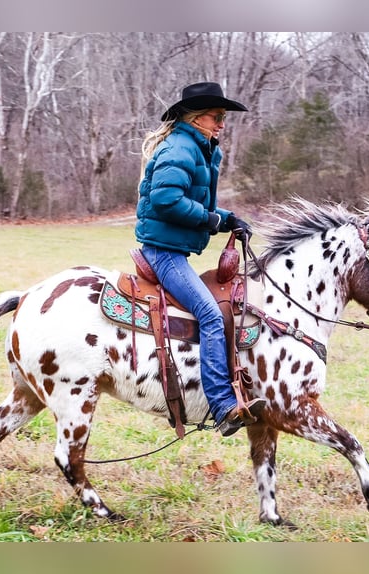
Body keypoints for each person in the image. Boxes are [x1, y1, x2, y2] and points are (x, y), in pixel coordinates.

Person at [135, 81, 265, 437]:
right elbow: (165, 200)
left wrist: (226, 218)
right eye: (217, 116)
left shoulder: (197, 147)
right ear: (195, 118)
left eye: (223, 117)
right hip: (163, 253)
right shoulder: (180, 147)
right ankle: (223, 405)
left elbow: (194, 204)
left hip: (173, 250)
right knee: (210, 314)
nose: (222, 124)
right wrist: (210, 219)